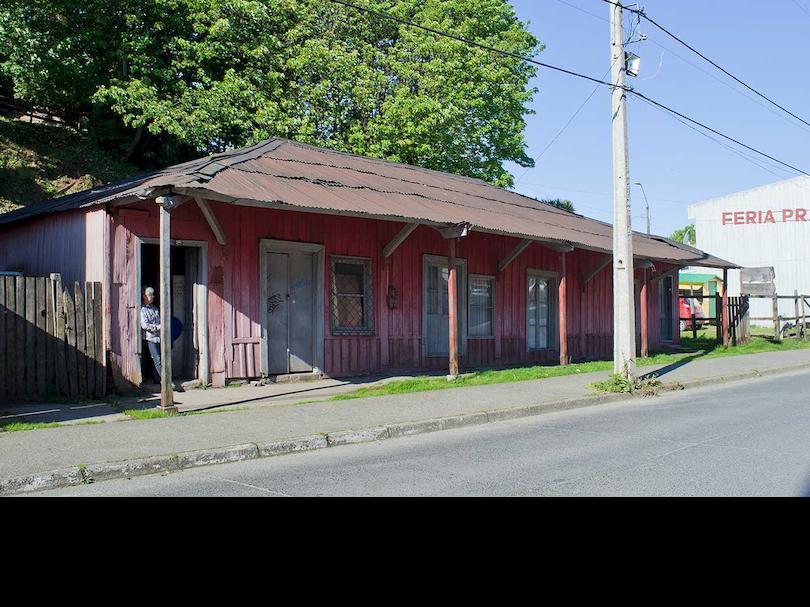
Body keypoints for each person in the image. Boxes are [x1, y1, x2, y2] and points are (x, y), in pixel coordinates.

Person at [141, 287, 162, 383]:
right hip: (150, 338)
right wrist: (156, 327)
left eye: (153, 295)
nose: (152, 297)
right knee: (156, 359)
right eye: (150, 295)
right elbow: (144, 325)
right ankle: (165, 380)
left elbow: (160, 320)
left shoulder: (155, 308)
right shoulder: (142, 309)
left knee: (158, 359)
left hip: (158, 337)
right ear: (144, 296)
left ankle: (157, 379)